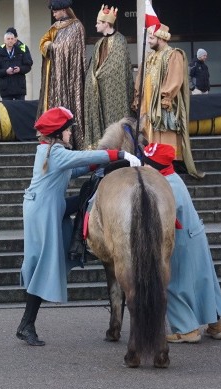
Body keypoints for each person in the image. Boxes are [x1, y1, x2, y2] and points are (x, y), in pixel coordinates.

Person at [17, 106, 140, 346]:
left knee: (86, 194)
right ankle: (26, 325)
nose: (70, 134)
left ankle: (80, 242)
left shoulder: (52, 151)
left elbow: (76, 169)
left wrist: (100, 166)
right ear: (58, 132)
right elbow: (82, 157)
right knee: (42, 266)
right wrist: (119, 155)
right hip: (44, 212)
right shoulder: (55, 152)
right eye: (68, 130)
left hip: (50, 208)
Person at [141, 143, 221, 343]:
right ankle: (217, 324)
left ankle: (186, 329)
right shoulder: (173, 178)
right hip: (195, 234)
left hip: (180, 240)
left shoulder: (165, 185)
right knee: (205, 280)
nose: (143, 167)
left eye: (147, 163)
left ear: (155, 167)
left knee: (174, 283)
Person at [133, 23, 201, 178]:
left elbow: (175, 77)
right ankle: (154, 161)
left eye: (151, 37)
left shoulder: (173, 54)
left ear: (161, 38)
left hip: (164, 105)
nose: (149, 41)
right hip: (148, 105)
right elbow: (141, 78)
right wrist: (138, 96)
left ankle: (169, 162)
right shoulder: (150, 57)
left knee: (166, 133)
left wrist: (166, 97)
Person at [38, 0, 86, 149]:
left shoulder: (76, 26)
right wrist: (48, 45)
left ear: (64, 10)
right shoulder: (55, 27)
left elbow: (70, 47)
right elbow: (44, 41)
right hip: (55, 74)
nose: (54, 14)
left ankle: (71, 138)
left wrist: (54, 47)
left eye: (56, 11)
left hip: (70, 74)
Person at [83, 5, 133, 149]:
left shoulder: (120, 40)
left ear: (106, 23)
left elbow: (117, 66)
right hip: (98, 89)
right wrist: (93, 78)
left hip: (113, 91)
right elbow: (93, 66)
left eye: (98, 22)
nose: (96, 25)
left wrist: (98, 75)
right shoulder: (99, 43)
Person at [0, 28, 33, 101]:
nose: (10, 40)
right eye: (8, 38)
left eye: (12, 38)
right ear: (5, 40)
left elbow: (29, 63)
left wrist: (20, 69)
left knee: (20, 108)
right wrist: (6, 71)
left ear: (15, 38)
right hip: (6, 88)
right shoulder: (1, 49)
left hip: (19, 87)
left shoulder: (22, 48)